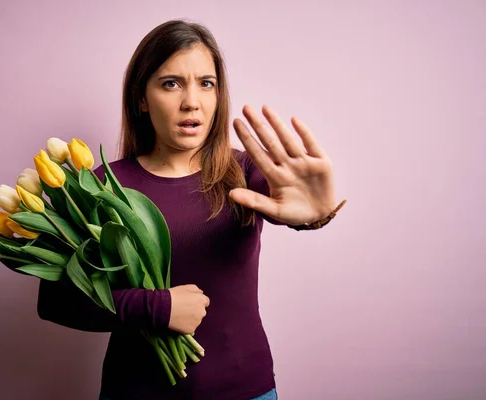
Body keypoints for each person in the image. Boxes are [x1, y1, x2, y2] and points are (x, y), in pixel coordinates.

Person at [37, 19, 346, 400]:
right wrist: (156, 306)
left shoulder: (245, 170)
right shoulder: (100, 188)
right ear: (141, 98)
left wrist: (318, 215)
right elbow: (56, 302)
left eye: (206, 83)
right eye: (171, 83)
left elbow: (290, 205)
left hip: (245, 391)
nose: (192, 101)